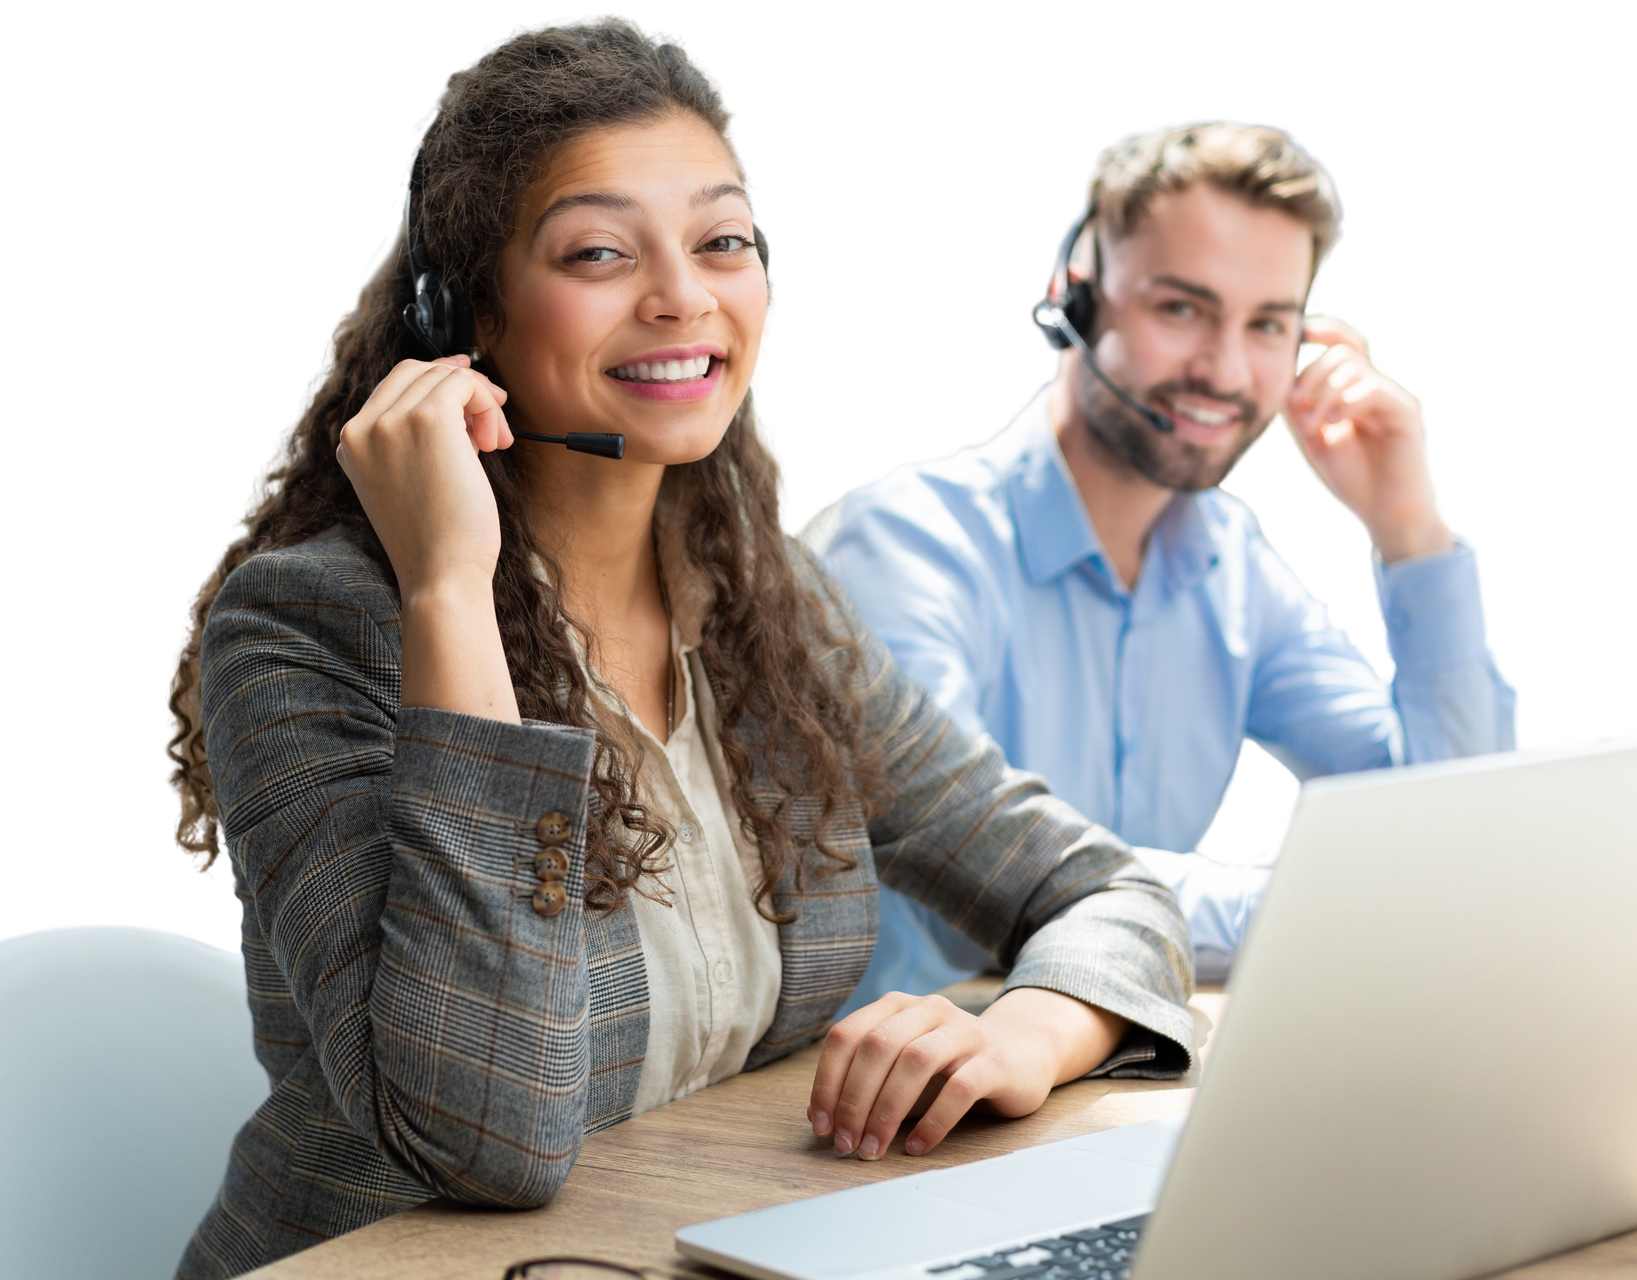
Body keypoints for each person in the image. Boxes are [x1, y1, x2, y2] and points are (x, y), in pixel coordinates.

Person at [158, 17, 1194, 1277]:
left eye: (722, 243)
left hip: (687, 1244)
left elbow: (1105, 888)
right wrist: (448, 589)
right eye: (599, 251)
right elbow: (488, 1134)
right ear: (463, 309)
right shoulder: (310, 624)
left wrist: (1034, 1029)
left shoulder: (763, 605)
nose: (682, 297)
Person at [800, 117, 1522, 1006]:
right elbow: (991, 887)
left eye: (1267, 325)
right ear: (1077, 292)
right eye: (1182, 308)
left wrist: (1411, 529)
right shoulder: (904, 546)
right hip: (879, 1099)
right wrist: (1339, 912)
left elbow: (1458, 830)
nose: (1223, 370)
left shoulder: (1228, 555)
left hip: (1119, 1070)